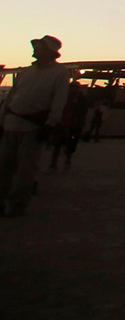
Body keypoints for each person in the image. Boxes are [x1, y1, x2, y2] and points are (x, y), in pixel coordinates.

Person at [0, 36, 72, 217]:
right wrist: (1, 120)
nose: (35, 49)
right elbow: (11, 99)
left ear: (49, 51)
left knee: (26, 168)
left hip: (32, 127)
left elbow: (59, 100)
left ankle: (18, 202)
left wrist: (50, 124)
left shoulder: (60, 73)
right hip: (11, 124)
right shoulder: (26, 72)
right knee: (3, 166)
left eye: (39, 46)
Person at [48, 81, 87, 171]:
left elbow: (83, 113)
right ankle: (54, 163)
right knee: (58, 144)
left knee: (70, 144)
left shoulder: (79, 99)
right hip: (63, 124)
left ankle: (66, 160)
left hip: (73, 126)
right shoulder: (64, 98)